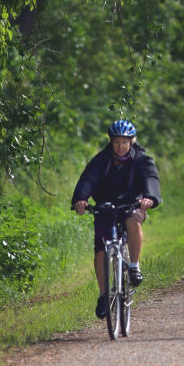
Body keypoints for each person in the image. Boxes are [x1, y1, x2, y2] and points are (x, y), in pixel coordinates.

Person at [72, 119, 161, 319]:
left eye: (124, 142)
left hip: (132, 204)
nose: (120, 146)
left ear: (131, 142)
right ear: (111, 142)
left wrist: (149, 198)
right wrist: (81, 198)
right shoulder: (101, 160)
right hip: (106, 206)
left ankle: (134, 267)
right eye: (116, 142)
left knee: (133, 221)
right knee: (101, 250)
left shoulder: (141, 159)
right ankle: (104, 295)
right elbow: (89, 178)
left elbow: (150, 178)